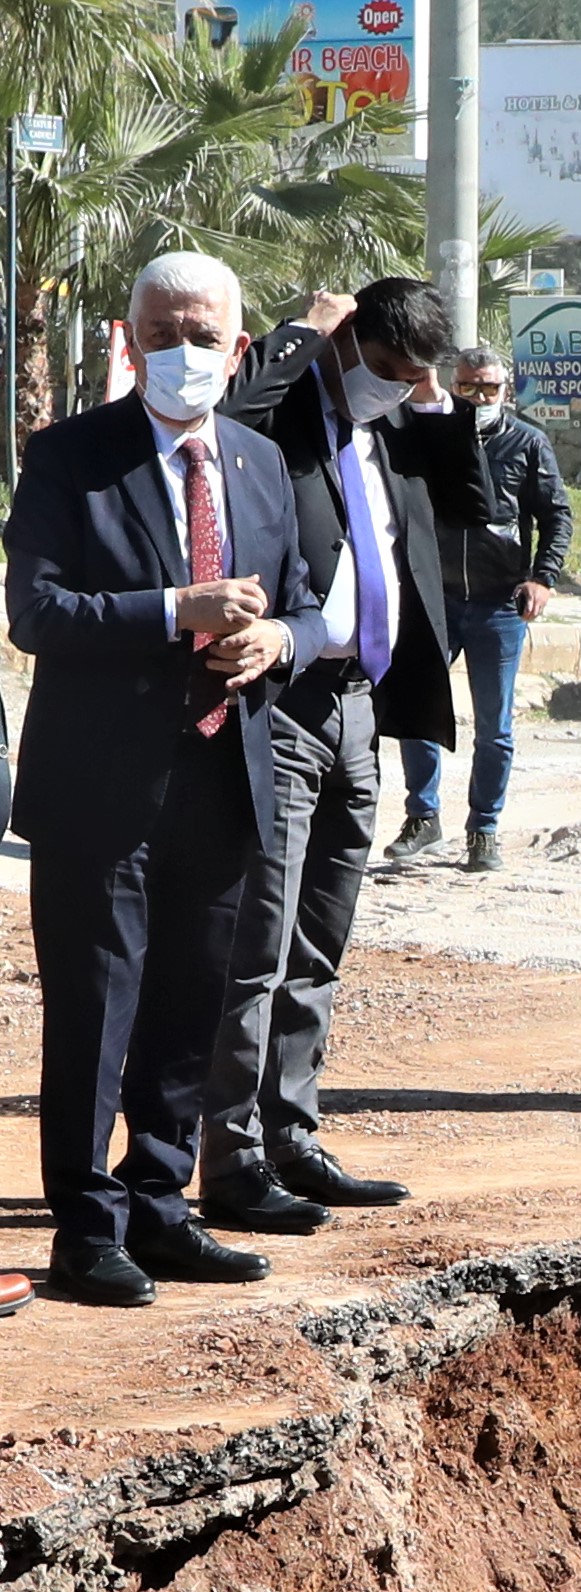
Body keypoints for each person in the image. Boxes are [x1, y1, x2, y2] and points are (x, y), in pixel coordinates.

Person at [4, 250, 320, 1304]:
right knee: (96, 1008)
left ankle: (161, 1202)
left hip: (223, 773)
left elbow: (312, 602)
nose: (184, 353)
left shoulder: (259, 462)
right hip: (101, 788)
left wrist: (275, 636)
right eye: (164, 332)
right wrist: (173, 612)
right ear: (129, 339)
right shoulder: (67, 459)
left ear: (240, 350)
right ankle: (85, 1227)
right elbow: (36, 614)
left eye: (205, 335)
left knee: (191, 1003)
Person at [202, 276, 489, 1228]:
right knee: (261, 940)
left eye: (419, 379)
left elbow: (474, 497)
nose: (402, 390)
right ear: (349, 340)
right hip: (281, 700)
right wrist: (299, 335)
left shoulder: (399, 428)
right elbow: (224, 420)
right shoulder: (279, 422)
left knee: (320, 940)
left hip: (361, 707)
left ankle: (291, 1134)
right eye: (391, 370)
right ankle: (230, 1157)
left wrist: (432, 396)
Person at [388, 346, 571, 872]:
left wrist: (542, 578)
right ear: (453, 385)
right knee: (417, 709)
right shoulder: (431, 433)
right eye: (468, 387)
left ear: (505, 391)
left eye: (489, 388)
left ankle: (483, 828)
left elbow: (556, 515)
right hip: (435, 598)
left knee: (494, 726)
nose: (479, 397)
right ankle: (423, 816)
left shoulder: (527, 442)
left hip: (499, 603)